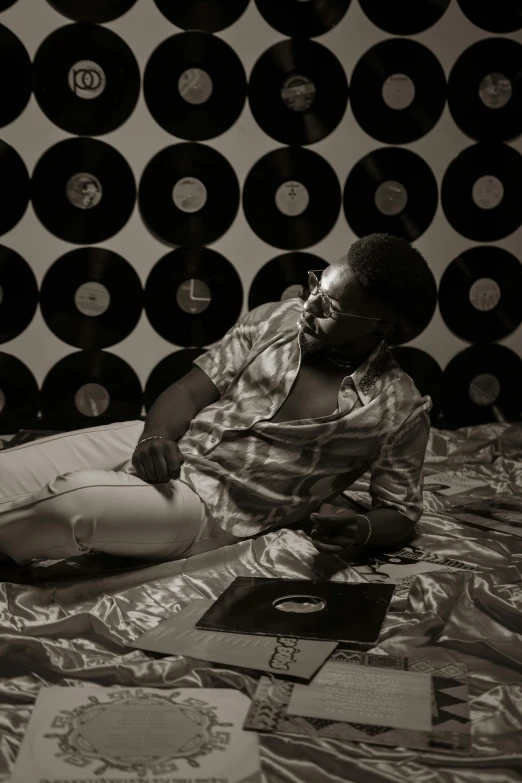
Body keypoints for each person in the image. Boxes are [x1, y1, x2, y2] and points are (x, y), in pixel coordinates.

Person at [0, 233, 437, 567]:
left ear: (382, 330)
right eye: (315, 287)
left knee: (73, 502)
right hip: (166, 443)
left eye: (330, 308)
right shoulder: (273, 319)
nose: (308, 306)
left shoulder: (399, 408)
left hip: (211, 509)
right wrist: (155, 436)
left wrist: (360, 528)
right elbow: (190, 390)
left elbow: (399, 512)